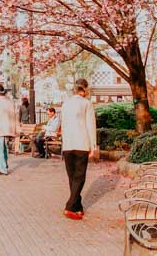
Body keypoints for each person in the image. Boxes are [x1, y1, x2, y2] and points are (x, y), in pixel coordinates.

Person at [59, 78, 97, 220]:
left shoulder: (66, 103)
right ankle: (69, 206)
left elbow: (63, 124)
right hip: (82, 143)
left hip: (68, 144)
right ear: (85, 89)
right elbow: (90, 126)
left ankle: (77, 207)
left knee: (72, 177)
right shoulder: (86, 104)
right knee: (79, 177)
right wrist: (93, 146)